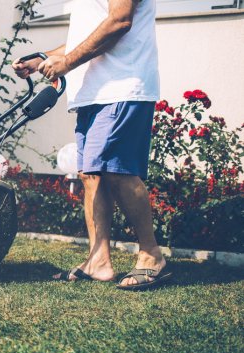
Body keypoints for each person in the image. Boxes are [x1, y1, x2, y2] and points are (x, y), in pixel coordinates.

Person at [12, 0, 171, 290]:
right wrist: (44, 58)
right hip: (95, 90)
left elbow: (120, 20)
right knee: (91, 174)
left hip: (121, 86)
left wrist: (67, 62)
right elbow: (88, 34)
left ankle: (151, 255)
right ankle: (99, 260)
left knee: (116, 170)